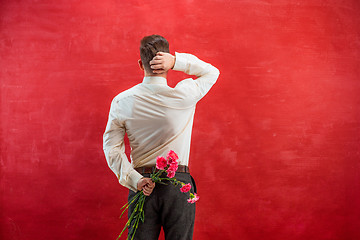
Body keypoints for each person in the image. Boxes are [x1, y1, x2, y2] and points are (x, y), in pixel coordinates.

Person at [103, 34, 220, 240]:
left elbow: (112, 148)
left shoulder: (122, 101)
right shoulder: (184, 95)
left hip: (142, 184)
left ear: (141, 64)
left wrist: (134, 180)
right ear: (166, 63)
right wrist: (177, 61)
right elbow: (211, 72)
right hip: (178, 185)